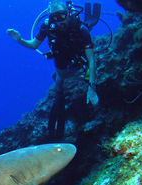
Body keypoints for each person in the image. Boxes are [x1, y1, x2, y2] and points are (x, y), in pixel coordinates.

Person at [7, 0, 99, 138]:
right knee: (60, 80)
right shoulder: (47, 26)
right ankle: (59, 96)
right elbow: (34, 45)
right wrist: (20, 40)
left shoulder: (81, 29)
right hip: (60, 55)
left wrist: (92, 88)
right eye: (54, 17)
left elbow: (92, 59)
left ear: (68, 13)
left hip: (79, 54)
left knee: (86, 71)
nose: (58, 21)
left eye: (61, 16)